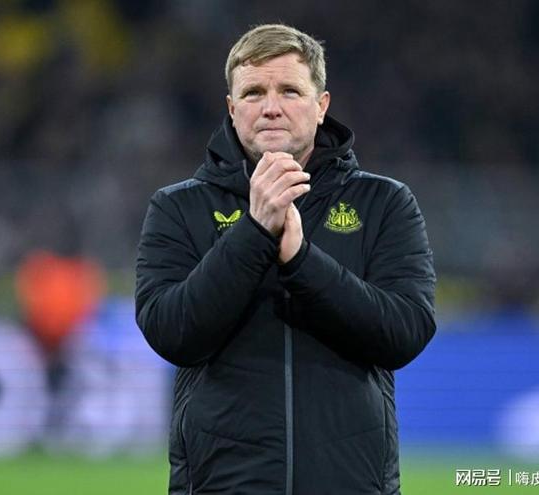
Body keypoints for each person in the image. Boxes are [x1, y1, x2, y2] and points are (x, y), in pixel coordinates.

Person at [136, 23, 436, 495]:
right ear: (232, 109)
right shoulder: (178, 207)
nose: (271, 107)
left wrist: (301, 260)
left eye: (290, 91)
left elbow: (406, 332)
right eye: (253, 92)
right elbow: (171, 332)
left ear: (322, 105)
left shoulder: (385, 203)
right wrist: (254, 232)